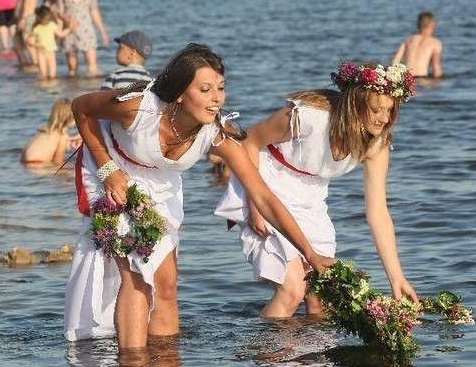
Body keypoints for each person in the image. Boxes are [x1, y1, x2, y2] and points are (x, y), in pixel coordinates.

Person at [63, 43, 334, 349]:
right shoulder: (138, 108)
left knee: (165, 285)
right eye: (205, 89)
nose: (216, 98)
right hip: (112, 163)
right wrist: (107, 169)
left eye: (220, 88)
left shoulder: (214, 134)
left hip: (160, 182)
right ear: (180, 92)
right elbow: (81, 108)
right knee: (138, 275)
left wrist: (310, 254)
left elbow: (263, 196)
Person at [215, 61, 420, 319]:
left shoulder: (376, 146)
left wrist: (397, 278)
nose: (384, 118)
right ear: (354, 103)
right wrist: (255, 204)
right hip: (266, 181)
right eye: (376, 110)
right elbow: (249, 142)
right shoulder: (309, 117)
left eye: (390, 110)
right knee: (292, 291)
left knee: (321, 297)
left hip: (311, 198)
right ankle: (269, 354)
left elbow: (378, 214)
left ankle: (313, 358)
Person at [56, 0, 109, 77]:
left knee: (92, 68)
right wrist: (64, 26)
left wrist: (102, 32)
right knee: (72, 69)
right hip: (69, 30)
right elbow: (59, 12)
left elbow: (94, 11)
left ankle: (91, 90)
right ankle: (72, 92)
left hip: (86, 29)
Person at [21, 97, 77, 164]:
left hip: (24, 163)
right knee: (68, 171)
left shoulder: (42, 133)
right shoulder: (62, 136)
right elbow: (58, 162)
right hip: (37, 164)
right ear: (71, 118)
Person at [392, 11, 443, 78]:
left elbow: (394, 62)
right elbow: (436, 67)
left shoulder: (408, 41)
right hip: (422, 79)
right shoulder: (434, 43)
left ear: (417, 24)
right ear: (433, 24)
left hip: (407, 79)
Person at [29, 4, 70, 81]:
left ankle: (52, 90)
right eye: (45, 19)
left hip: (51, 54)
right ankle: (44, 89)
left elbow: (60, 34)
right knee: (43, 76)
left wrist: (69, 29)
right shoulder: (37, 28)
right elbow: (30, 41)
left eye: (48, 18)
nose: (47, 21)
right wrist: (37, 45)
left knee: (52, 76)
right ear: (39, 18)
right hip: (41, 54)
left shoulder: (52, 25)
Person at [13, 0, 38, 68]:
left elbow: (28, 3)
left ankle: (36, 65)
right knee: (16, 41)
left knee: (28, 42)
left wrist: (23, 19)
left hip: (28, 17)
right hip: (21, 17)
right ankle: (24, 65)